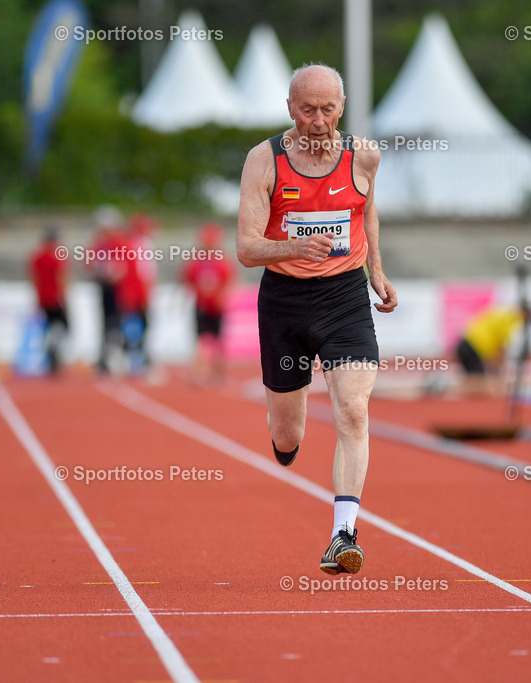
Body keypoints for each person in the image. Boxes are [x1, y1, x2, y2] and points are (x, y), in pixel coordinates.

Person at [237, 63, 397, 576]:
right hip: (283, 301)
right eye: (308, 110)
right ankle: (282, 422)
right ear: (290, 109)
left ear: (342, 108)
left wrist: (377, 272)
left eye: (329, 109)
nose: (319, 121)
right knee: (289, 438)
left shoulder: (364, 155)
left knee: (352, 410)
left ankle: (343, 534)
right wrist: (292, 245)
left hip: (344, 298)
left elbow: (365, 209)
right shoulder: (263, 161)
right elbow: (244, 248)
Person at [180, 223, 234, 384]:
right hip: (204, 304)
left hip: (212, 305)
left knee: (214, 341)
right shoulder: (200, 261)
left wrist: (222, 297)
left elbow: (229, 280)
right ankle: (201, 374)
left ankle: (214, 374)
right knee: (204, 341)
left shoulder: (215, 261)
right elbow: (187, 279)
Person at [450, 305, 527, 396]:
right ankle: (449, 391)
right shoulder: (509, 321)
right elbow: (501, 349)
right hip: (472, 347)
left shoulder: (501, 314)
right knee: (479, 382)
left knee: (474, 380)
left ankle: (451, 392)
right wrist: (500, 371)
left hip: (466, 344)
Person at [88, 207, 127, 374]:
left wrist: (115, 272)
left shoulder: (119, 243)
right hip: (104, 287)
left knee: (117, 323)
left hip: (119, 290)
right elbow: (89, 263)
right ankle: (106, 359)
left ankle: (118, 357)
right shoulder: (98, 244)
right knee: (107, 324)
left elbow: (125, 266)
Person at [118, 213, 158, 375]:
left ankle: (132, 359)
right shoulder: (142, 244)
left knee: (132, 327)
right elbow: (146, 273)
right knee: (139, 326)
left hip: (130, 292)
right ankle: (137, 360)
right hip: (138, 292)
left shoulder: (127, 243)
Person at [28, 227, 70, 376]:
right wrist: (64, 296)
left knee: (50, 326)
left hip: (43, 297)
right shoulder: (57, 255)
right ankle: (53, 350)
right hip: (56, 297)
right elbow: (61, 276)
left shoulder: (37, 256)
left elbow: (34, 278)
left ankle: (51, 350)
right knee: (63, 326)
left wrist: (37, 296)